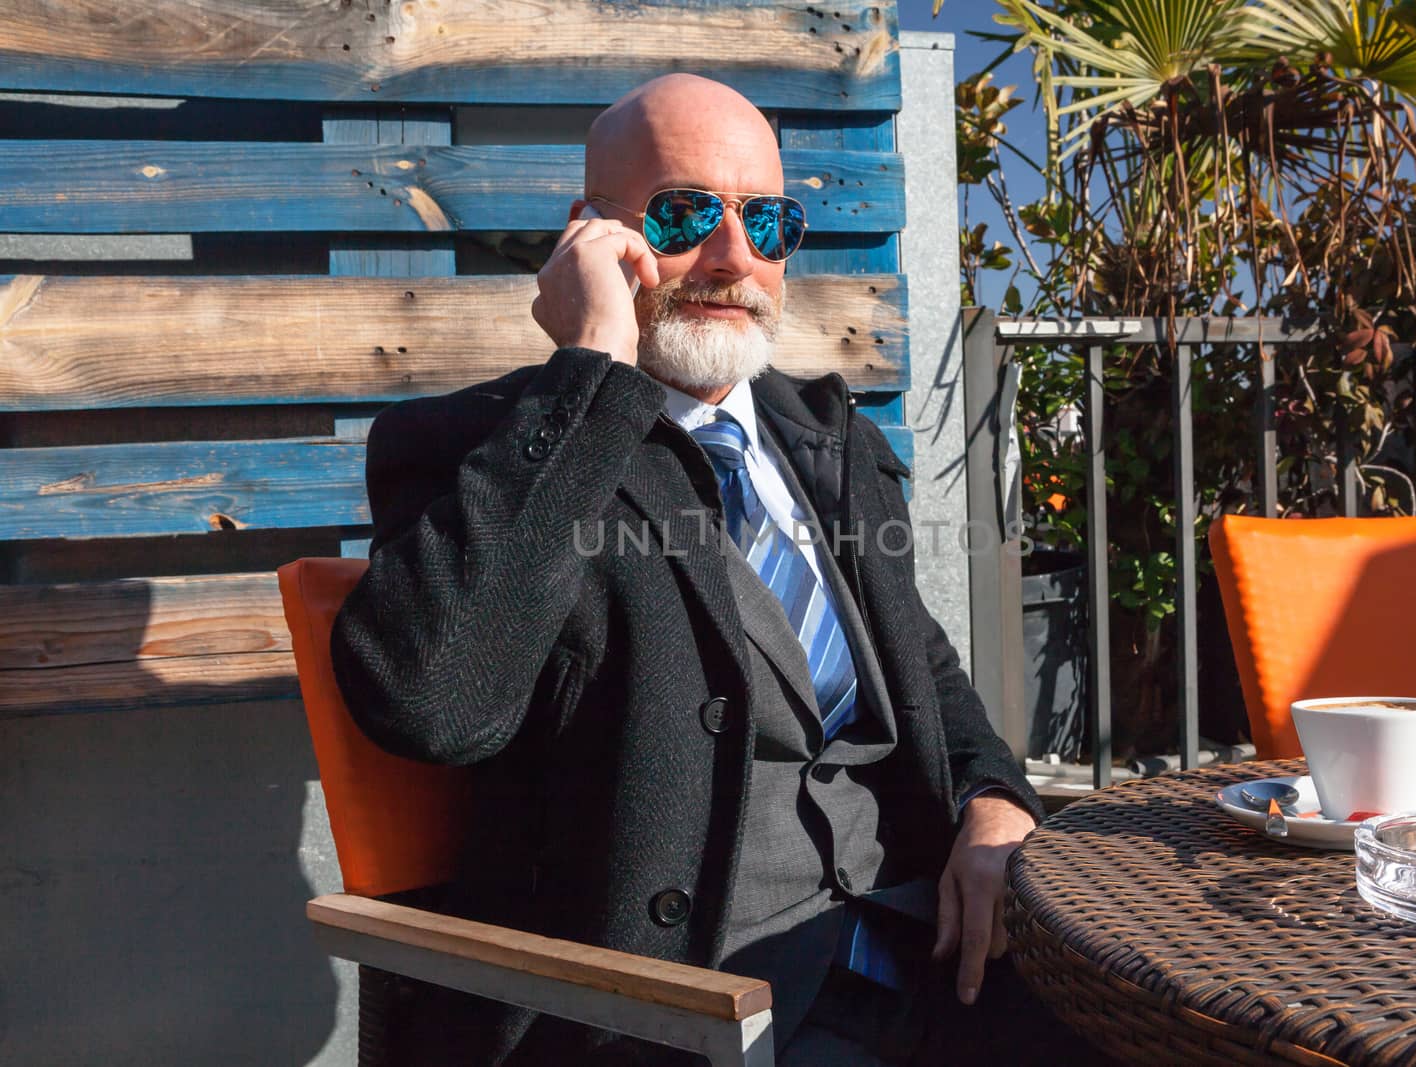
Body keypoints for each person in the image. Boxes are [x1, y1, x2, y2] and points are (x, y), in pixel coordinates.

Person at [331, 73, 1092, 1066]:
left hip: (925, 952)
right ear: (588, 235)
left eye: (768, 222)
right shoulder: (479, 446)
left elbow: (928, 678)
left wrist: (993, 798)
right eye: (686, 214)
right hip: (682, 1003)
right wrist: (594, 365)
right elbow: (436, 701)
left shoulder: (828, 439)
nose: (735, 256)